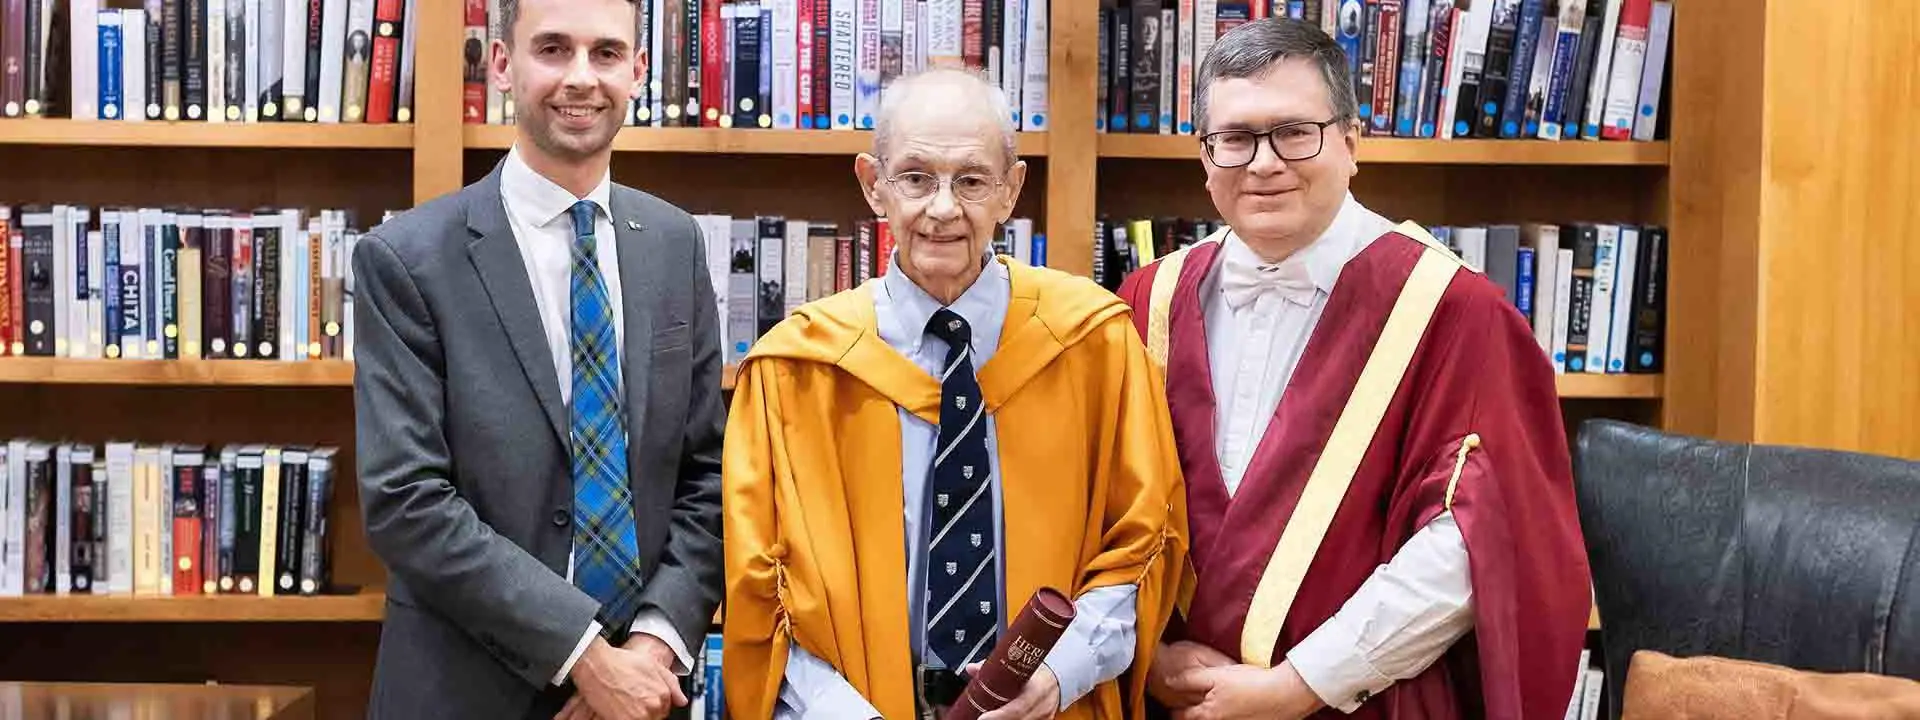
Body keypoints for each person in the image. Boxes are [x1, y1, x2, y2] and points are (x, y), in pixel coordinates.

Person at [1116, 18, 1592, 720]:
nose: (1264, 162)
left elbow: (1475, 541)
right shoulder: (1145, 301)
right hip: (1174, 702)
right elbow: (1105, 506)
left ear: (1350, 142)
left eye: (1294, 132)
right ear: (1205, 157)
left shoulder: (1455, 311)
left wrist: (1301, 683)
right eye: (1237, 138)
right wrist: (1145, 650)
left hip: (1362, 703)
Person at [722, 67, 1190, 720]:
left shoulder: (1094, 344)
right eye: (915, 178)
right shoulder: (795, 371)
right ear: (873, 186)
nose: (942, 208)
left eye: (970, 180)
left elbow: (1145, 544)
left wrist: (1058, 674)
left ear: (1011, 190)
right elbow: (758, 594)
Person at [352, 0, 724, 717]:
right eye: (552, 49)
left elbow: (709, 475)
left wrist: (646, 650)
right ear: (501, 64)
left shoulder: (675, 245)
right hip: (463, 692)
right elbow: (406, 500)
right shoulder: (407, 260)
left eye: (607, 54)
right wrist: (585, 656)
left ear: (639, 72)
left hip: (644, 696)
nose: (581, 78)